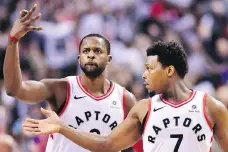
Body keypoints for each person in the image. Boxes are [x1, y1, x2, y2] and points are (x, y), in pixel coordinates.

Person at [23, 41, 228, 152]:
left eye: (149, 68)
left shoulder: (211, 107)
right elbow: (106, 145)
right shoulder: (143, 108)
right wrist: (62, 128)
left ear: (169, 71)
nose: (143, 74)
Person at [4, 4, 143, 152]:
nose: (91, 55)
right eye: (86, 51)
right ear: (78, 58)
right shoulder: (61, 89)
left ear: (109, 59)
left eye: (97, 51)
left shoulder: (126, 100)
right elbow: (15, 90)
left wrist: (63, 128)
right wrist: (13, 40)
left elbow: (119, 146)